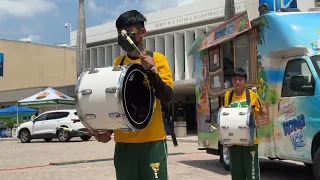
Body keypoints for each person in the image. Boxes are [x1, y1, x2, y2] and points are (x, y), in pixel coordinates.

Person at [94, 10, 173, 180]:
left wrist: (152, 72)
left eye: (128, 32)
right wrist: (107, 130)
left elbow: (167, 96)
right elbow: (113, 101)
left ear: (142, 33)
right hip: (124, 143)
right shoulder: (118, 63)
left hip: (153, 142)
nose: (123, 38)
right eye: (120, 33)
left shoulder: (158, 59)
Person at [224, 68, 267, 180]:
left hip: (250, 142)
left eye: (241, 79)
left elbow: (261, 114)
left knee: (252, 174)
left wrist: (263, 112)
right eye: (235, 79)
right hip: (234, 143)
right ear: (232, 80)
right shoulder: (228, 96)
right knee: (237, 175)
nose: (238, 82)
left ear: (245, 81)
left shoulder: (252, 95)